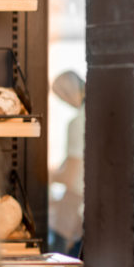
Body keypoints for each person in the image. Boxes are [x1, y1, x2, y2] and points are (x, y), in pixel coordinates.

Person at [49, 70, 85, 256]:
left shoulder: (77, 123)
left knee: (61, 261)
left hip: (75, 206)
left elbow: (71, 178)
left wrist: (49, 176)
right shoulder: (98, 114)